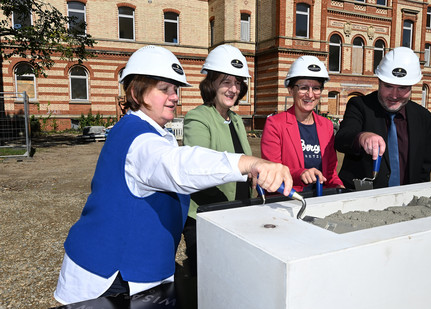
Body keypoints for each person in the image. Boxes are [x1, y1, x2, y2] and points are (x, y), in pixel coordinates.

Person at [53, 45, 294, 305]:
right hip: (111, 277)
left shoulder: (158, 133)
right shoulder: (139, 138)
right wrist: (249, 163)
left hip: (143, 270)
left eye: (175, 88)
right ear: (136, 92)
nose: (174, 96)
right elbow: (179, 166)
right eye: (164, 88)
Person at [181, 44, 252, 273]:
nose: (233, 89)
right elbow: (200, 167)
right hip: (208, 219)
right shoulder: (198, 118)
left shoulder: (237, 120)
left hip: (239, 215)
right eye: (226, 81)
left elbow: (244, 163)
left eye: (238, 83)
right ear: (211, 83)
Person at [335, 47, 431, 189]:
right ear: (379, 81)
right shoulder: (360, 106)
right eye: (388, 86)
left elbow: (424, 168)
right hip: (362, 198)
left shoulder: (424, 118)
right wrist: (362, 137)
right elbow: (342, 139)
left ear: (412, 86)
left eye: (402, 88)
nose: (394, 95)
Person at [261, 55, 344, 192]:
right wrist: (300, 174)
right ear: (290, 89)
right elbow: (273, 172)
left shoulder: (327, 126)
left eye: (316, 88)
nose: (310, 95)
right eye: (304, 88)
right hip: (287, 200)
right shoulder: (275, 124)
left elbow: (330, 173)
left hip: (319, 201)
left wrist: (338, 187)